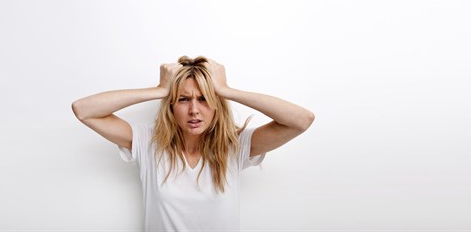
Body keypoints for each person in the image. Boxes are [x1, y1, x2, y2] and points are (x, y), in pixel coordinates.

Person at [71, 56, 315, 231]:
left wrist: (225, 90)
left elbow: (301, 120)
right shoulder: (148, 144)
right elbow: (84, 110)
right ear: (171, 105)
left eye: (204, 99)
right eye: (184, 99)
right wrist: (158, 89)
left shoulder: (235, 146)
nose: (194, 110)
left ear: (217, 105)